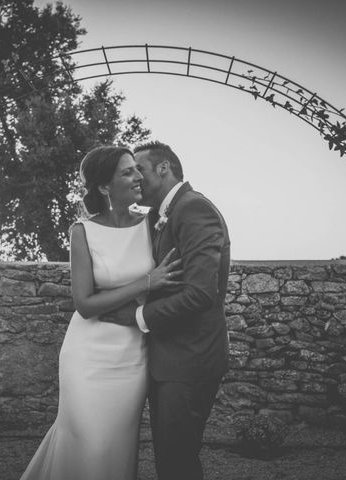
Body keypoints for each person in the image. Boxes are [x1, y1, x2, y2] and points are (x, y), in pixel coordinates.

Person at [19, 145, 183, 480]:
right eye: (127, 172)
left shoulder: (153, 224)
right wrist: (145, 282)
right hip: (87, 355)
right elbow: (85, 304)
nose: (138, 176)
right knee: (90, 444)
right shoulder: (83, 231)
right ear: (104, 186)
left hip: (132, 356)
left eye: (138, 169)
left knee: (117, 446)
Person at [101, 141, 230, 480]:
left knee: (177, 463)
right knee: (171, 460)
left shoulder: (194, 209)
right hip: (169, 360)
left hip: (190, 359)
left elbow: (201, 294)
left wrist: (137, 318)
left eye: (139, 170)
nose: (137, 180)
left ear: (163, 169)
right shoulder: (161, 216)